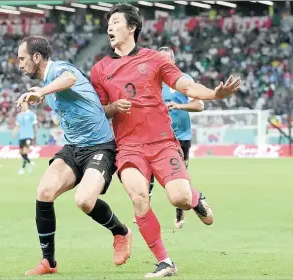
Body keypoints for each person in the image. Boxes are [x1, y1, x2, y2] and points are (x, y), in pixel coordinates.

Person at [90, 4, 241, 278]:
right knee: (138, 196)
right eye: (108, 23)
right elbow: (99, 111)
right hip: (128, 147)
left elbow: (186, 85)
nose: (109, 27)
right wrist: (113, 108)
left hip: (162, 143)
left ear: (132, 27)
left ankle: (195, 199)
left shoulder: (155, 60)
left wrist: (213, 95)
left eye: (115, 22)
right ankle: (165, 262)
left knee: (179, 198)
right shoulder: (100, 70)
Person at [15, 35, 132, 276]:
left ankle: (121, 232)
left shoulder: (60, 69)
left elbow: (69, 79)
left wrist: (42, 91)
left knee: (84, 201)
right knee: (44, 192)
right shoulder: (47, 83)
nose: (19, 64)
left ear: (37, 57)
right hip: (72, 148)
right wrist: (40, 91)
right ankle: (49, 262)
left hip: (100, 147)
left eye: (22, 58)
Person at [134, 47, 205, 229]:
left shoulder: (183, 81)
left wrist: (179, 107)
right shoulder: (151, 81)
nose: (163, 63)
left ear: (173, 61)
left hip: (181, 136)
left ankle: (180, 213)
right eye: (160, 60)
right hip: (156, 136)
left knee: (179, 176)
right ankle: (144, 209)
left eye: (166, 60)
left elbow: (199, 105)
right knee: (147, 172)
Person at [12, 101, 37, 175]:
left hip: (28, 136)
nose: (23, 105)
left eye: (24, 104)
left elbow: (35, 126)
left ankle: (22, 168)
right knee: (21, 152)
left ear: (27, 105)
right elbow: (17, 126)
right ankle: (30, 163)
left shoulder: (31, 114)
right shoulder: (19, 115)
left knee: (25, 151)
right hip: (21, 136)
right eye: (22, 104)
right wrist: (14, 133)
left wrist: (34, 136)